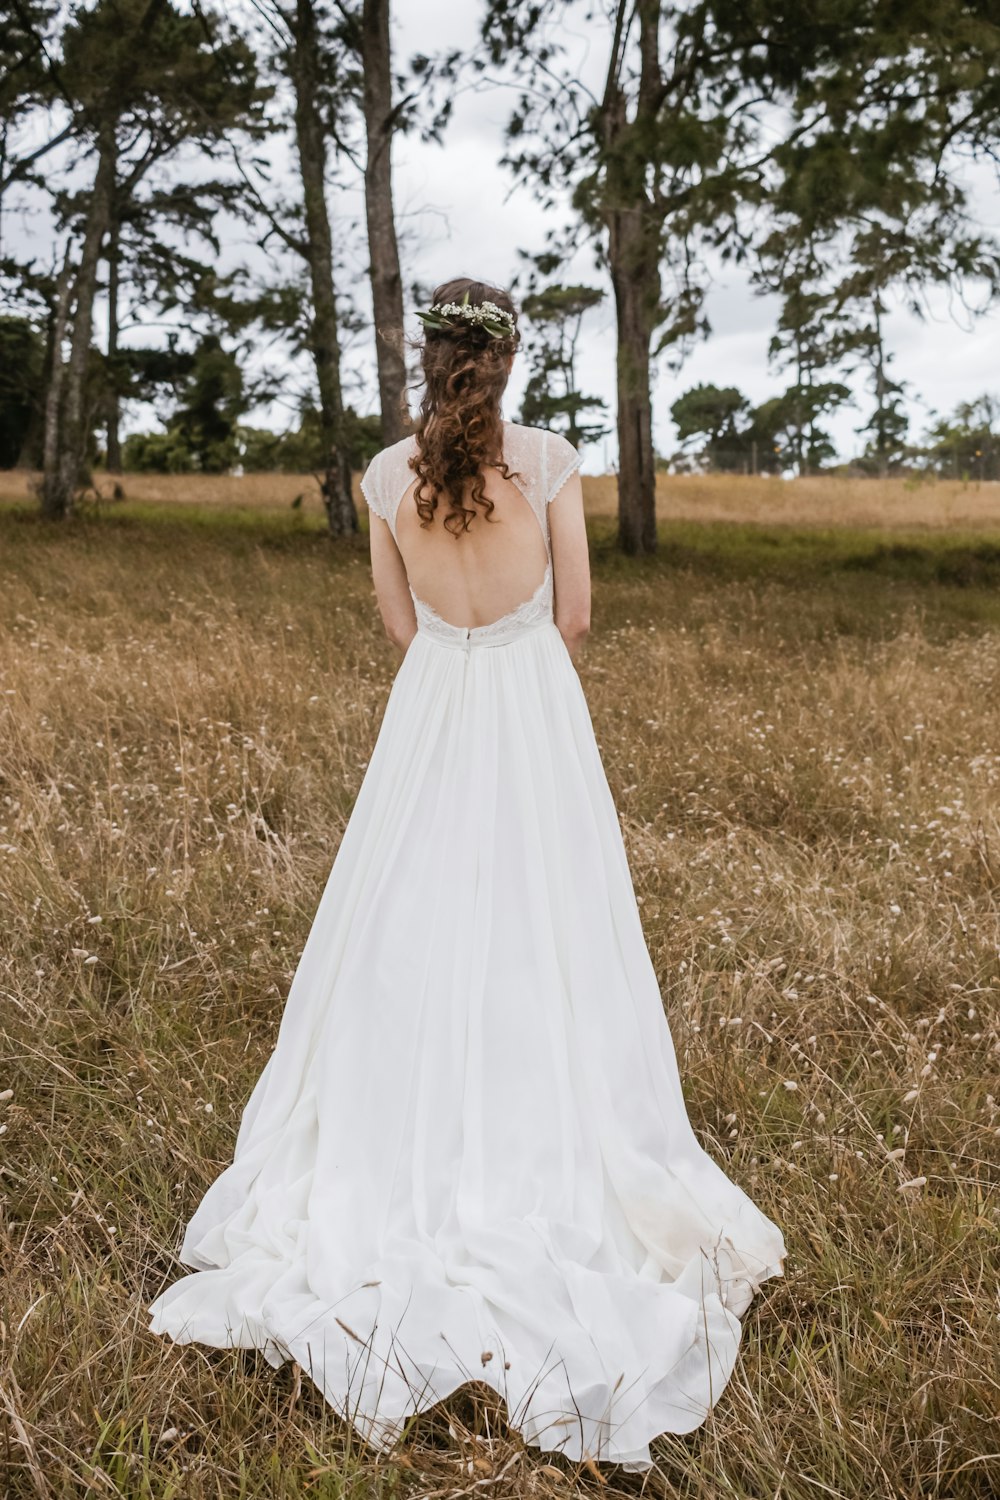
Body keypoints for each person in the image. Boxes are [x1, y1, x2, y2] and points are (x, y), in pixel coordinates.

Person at [148, 277, 785, 1471]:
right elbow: (577, 616)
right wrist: (512, 650)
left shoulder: (384, 478)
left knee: (409, 916)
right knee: (553, 921)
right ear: (504, 360)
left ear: (430, 357)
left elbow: (402, 631)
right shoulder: (546, 461)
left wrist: (459, 646)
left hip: (432, 710)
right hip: (533, 708)